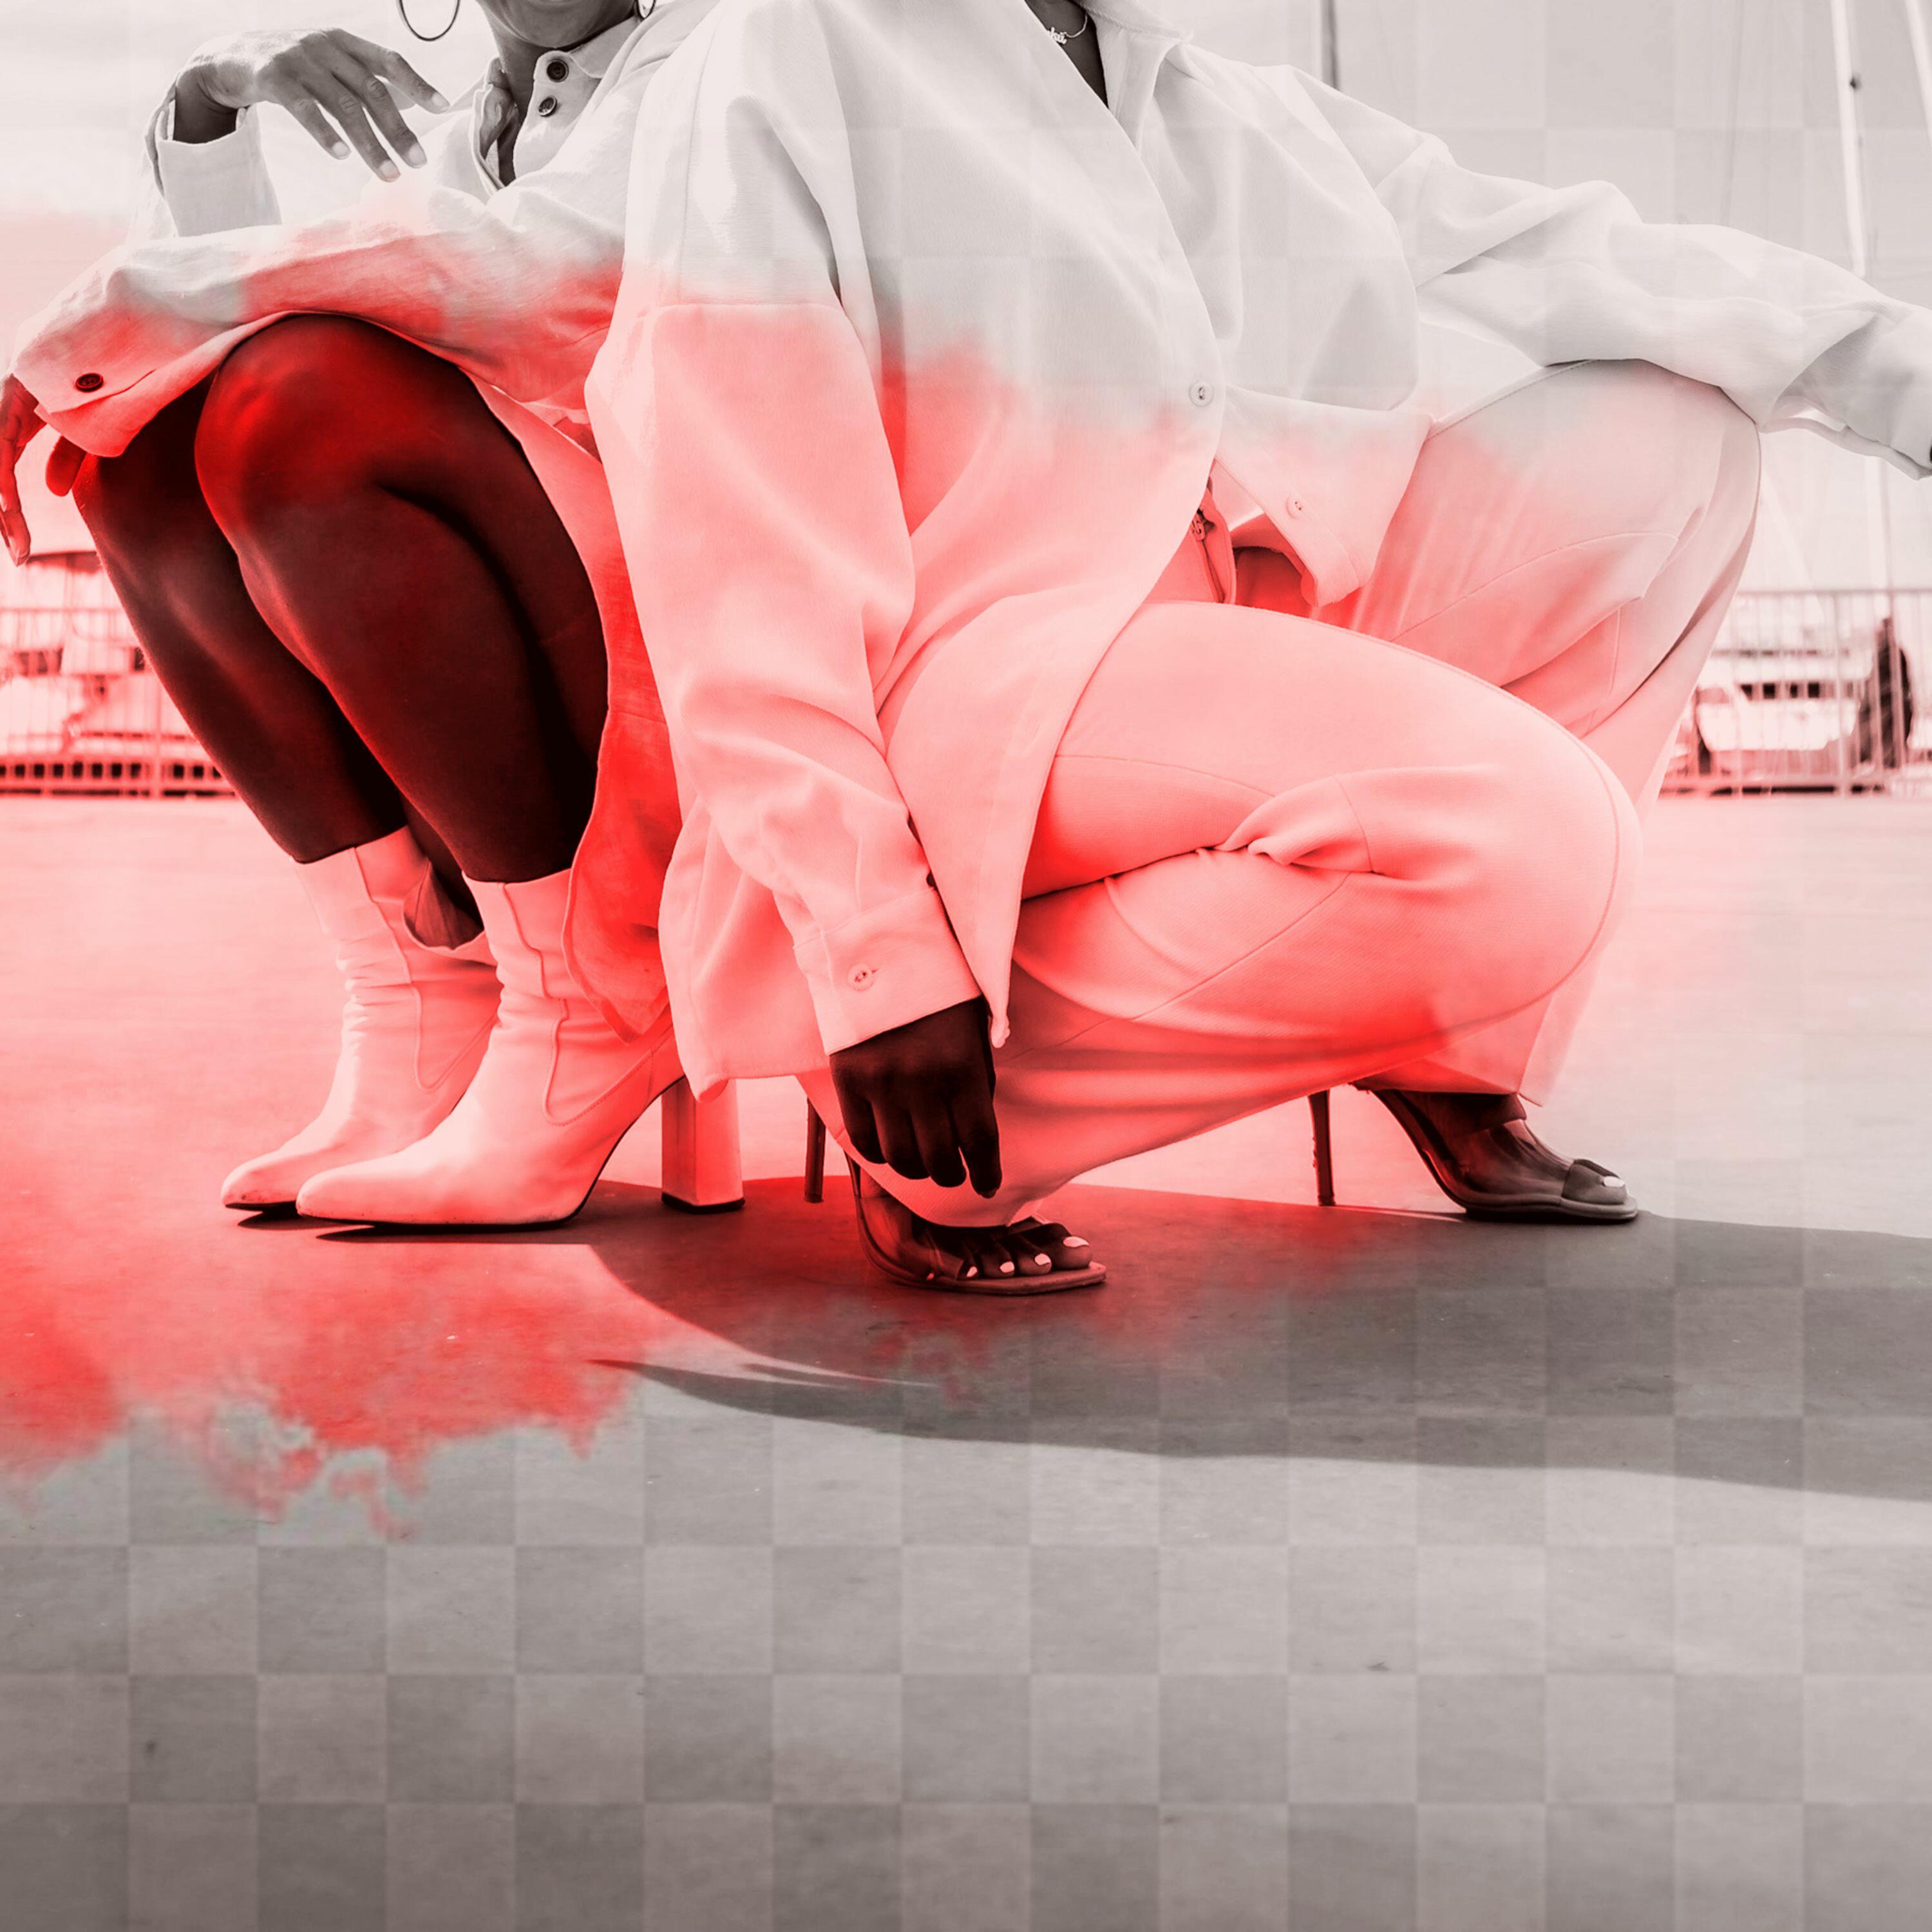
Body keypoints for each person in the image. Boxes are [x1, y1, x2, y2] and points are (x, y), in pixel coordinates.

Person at [565, 0, 1931, 1287]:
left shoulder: (1215, 104)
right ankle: (954, 1139)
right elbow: (733, 531)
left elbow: (1565, 253)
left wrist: (1902, 371)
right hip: (962, 690)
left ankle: (1450, 1049)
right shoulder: (786, 52)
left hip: (1205, 623)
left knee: (1680, 442)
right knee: (1541, 844)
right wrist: (874, 956)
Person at [1, 0, 731, 1227]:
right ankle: (418, 989)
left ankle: (591, 1001)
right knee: (145, 442)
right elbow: (222, 336)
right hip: (547, 637)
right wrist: (216, 91)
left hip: (694, 640)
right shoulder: (449, 140)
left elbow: (542, 272)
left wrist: (98, 314)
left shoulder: (708, 65)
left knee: (303, 399)